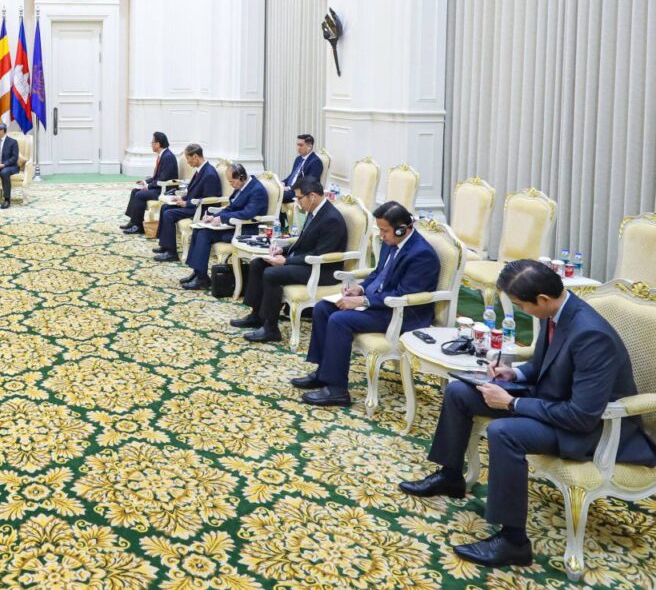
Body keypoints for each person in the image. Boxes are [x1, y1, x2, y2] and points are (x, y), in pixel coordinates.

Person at [400, 260, 656, 568]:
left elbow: (581, 416)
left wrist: (512, 403)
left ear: (543, 299)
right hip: (552, 403)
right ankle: (450, 476)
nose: (522, 312)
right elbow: (544, 364)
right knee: (459, 392)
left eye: (522, 306)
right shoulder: (557, 313)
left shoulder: (591, 336)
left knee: (504, 433)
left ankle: (514, 542)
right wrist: (514, 374)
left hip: (591, 431)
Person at [291, 201, 440, 406]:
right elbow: (378, 273)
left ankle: (337, 390)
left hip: (402, 313)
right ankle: (323, 373)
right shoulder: (391, 242)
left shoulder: (421, 254)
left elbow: (403, 294)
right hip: (381, 303)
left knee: (339, 320)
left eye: (385, 231)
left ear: (402, 229)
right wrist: (360, 289)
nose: (381, 236)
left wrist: (363, 300)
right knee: (322, 308)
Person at [233, 177, 347, 342]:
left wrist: (286, 261)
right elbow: (303, 242)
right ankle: (256, 315)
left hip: (322, 270)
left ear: (312, 196)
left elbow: (318, 254)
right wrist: (283, 250)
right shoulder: (315, 211)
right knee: (258, 263)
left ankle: (271, 329)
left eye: (299, 198)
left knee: (272, 274)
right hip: (307, 262)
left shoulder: (331, 219)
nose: (297, 202)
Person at [179, 163, 268, 290]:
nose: (231, 185)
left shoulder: (256, 190)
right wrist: (213, 217)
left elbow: (247, 213)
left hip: (246, 230)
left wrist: (222, 218)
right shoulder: (241, 185)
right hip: (233, 226)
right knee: (199, 229)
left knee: (204, 234)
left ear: (241, 178)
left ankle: (202, 278)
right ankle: (198, 272)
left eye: (232, 182)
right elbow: (231, 207)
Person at [153, 144, 222, 262]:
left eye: (188, 158)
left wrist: (187, 203)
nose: (187, 161)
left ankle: (171, 253)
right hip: (194, 204)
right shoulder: (201, 170)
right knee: (165, 207)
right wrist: (182, 198)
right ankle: (165, 245)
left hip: (201, 210)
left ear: (195, 156)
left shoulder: (209, 173)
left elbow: (209, 200)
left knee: (168, 214)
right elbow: (194, 192)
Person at [120, 132, 178, 235]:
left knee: (140, 195)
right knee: (135, 191)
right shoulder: (163, 155)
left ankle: (138, 227)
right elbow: (157, 177)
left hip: (165, 190)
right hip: (159, 187)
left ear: (158, 144)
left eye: (152, 142)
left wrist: (148, 186)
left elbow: (163, 179)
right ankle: (133, 222)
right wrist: (145, 182)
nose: (151, 145)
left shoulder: (168, 157)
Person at [281, 134, 323, 205]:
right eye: (297, 145)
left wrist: (289, 188)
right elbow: (292, 176)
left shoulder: (316, 162)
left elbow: (309, 183)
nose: (298, 148)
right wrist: (282, 183)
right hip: (289, 189)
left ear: (309, 147)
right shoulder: (298, 159)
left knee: (276, 195)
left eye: (301, 145)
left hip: (299, 192)